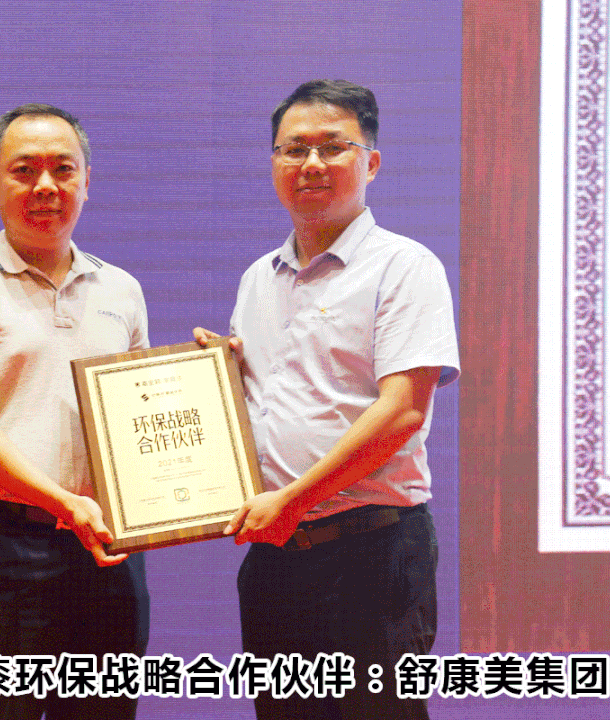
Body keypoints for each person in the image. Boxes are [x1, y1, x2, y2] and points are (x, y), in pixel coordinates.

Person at [195, 79, 459, 719]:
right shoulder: (258, 278)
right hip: (276, 561)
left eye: (332, 148)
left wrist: (292, 500)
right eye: (293, 150)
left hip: (372, 554)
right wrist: (216, 378)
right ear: (274, 164)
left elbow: (402, 411)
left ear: (371, 163)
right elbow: (276, 399)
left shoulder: (404, 267)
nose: (310, 164)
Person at [0, 103, 149, 720]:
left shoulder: (121, 289)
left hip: (107, 550)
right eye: (24, 170)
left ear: (87, 181)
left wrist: (214, 375)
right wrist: (63, 503)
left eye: (63, 169)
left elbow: (137, 416)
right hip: (1, 547)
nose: (46, 186)